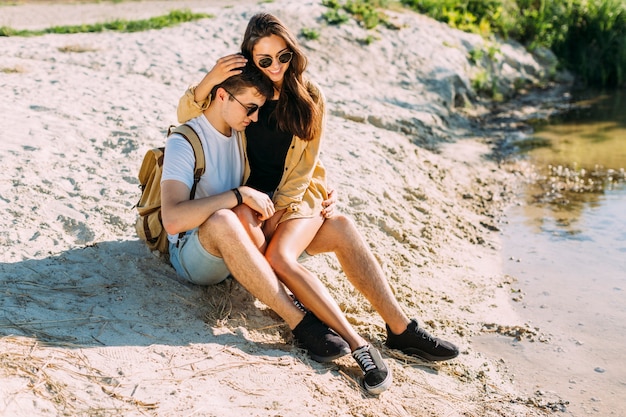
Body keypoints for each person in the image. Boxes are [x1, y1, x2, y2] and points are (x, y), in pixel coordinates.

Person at [177, 13, 459, 393]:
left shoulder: (310, 95)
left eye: (283, 57)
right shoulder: (244, 92)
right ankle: (356, 336)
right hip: (254, 203)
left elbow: (305, 168)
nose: (276, 67)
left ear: (293, 53)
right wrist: (210, 79)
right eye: (265, 60)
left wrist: (278, 213)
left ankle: (401, 328)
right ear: (250, 59)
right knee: (336, 226)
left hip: (296, 198)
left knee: (284, 255)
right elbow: (190, 119)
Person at [160, 64, 356, 383]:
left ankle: (400, 326)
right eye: (250, 108)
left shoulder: (240, 134)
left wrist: (322, 188)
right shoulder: (185, 141)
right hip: (195, 255)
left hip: (241, 249)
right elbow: (172, 219)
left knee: (336, 224)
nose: (254, 118)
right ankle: (300, 321)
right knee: (225, 217)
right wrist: (238, 195)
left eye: (257, 110)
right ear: (222, 95)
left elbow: (292, 164)